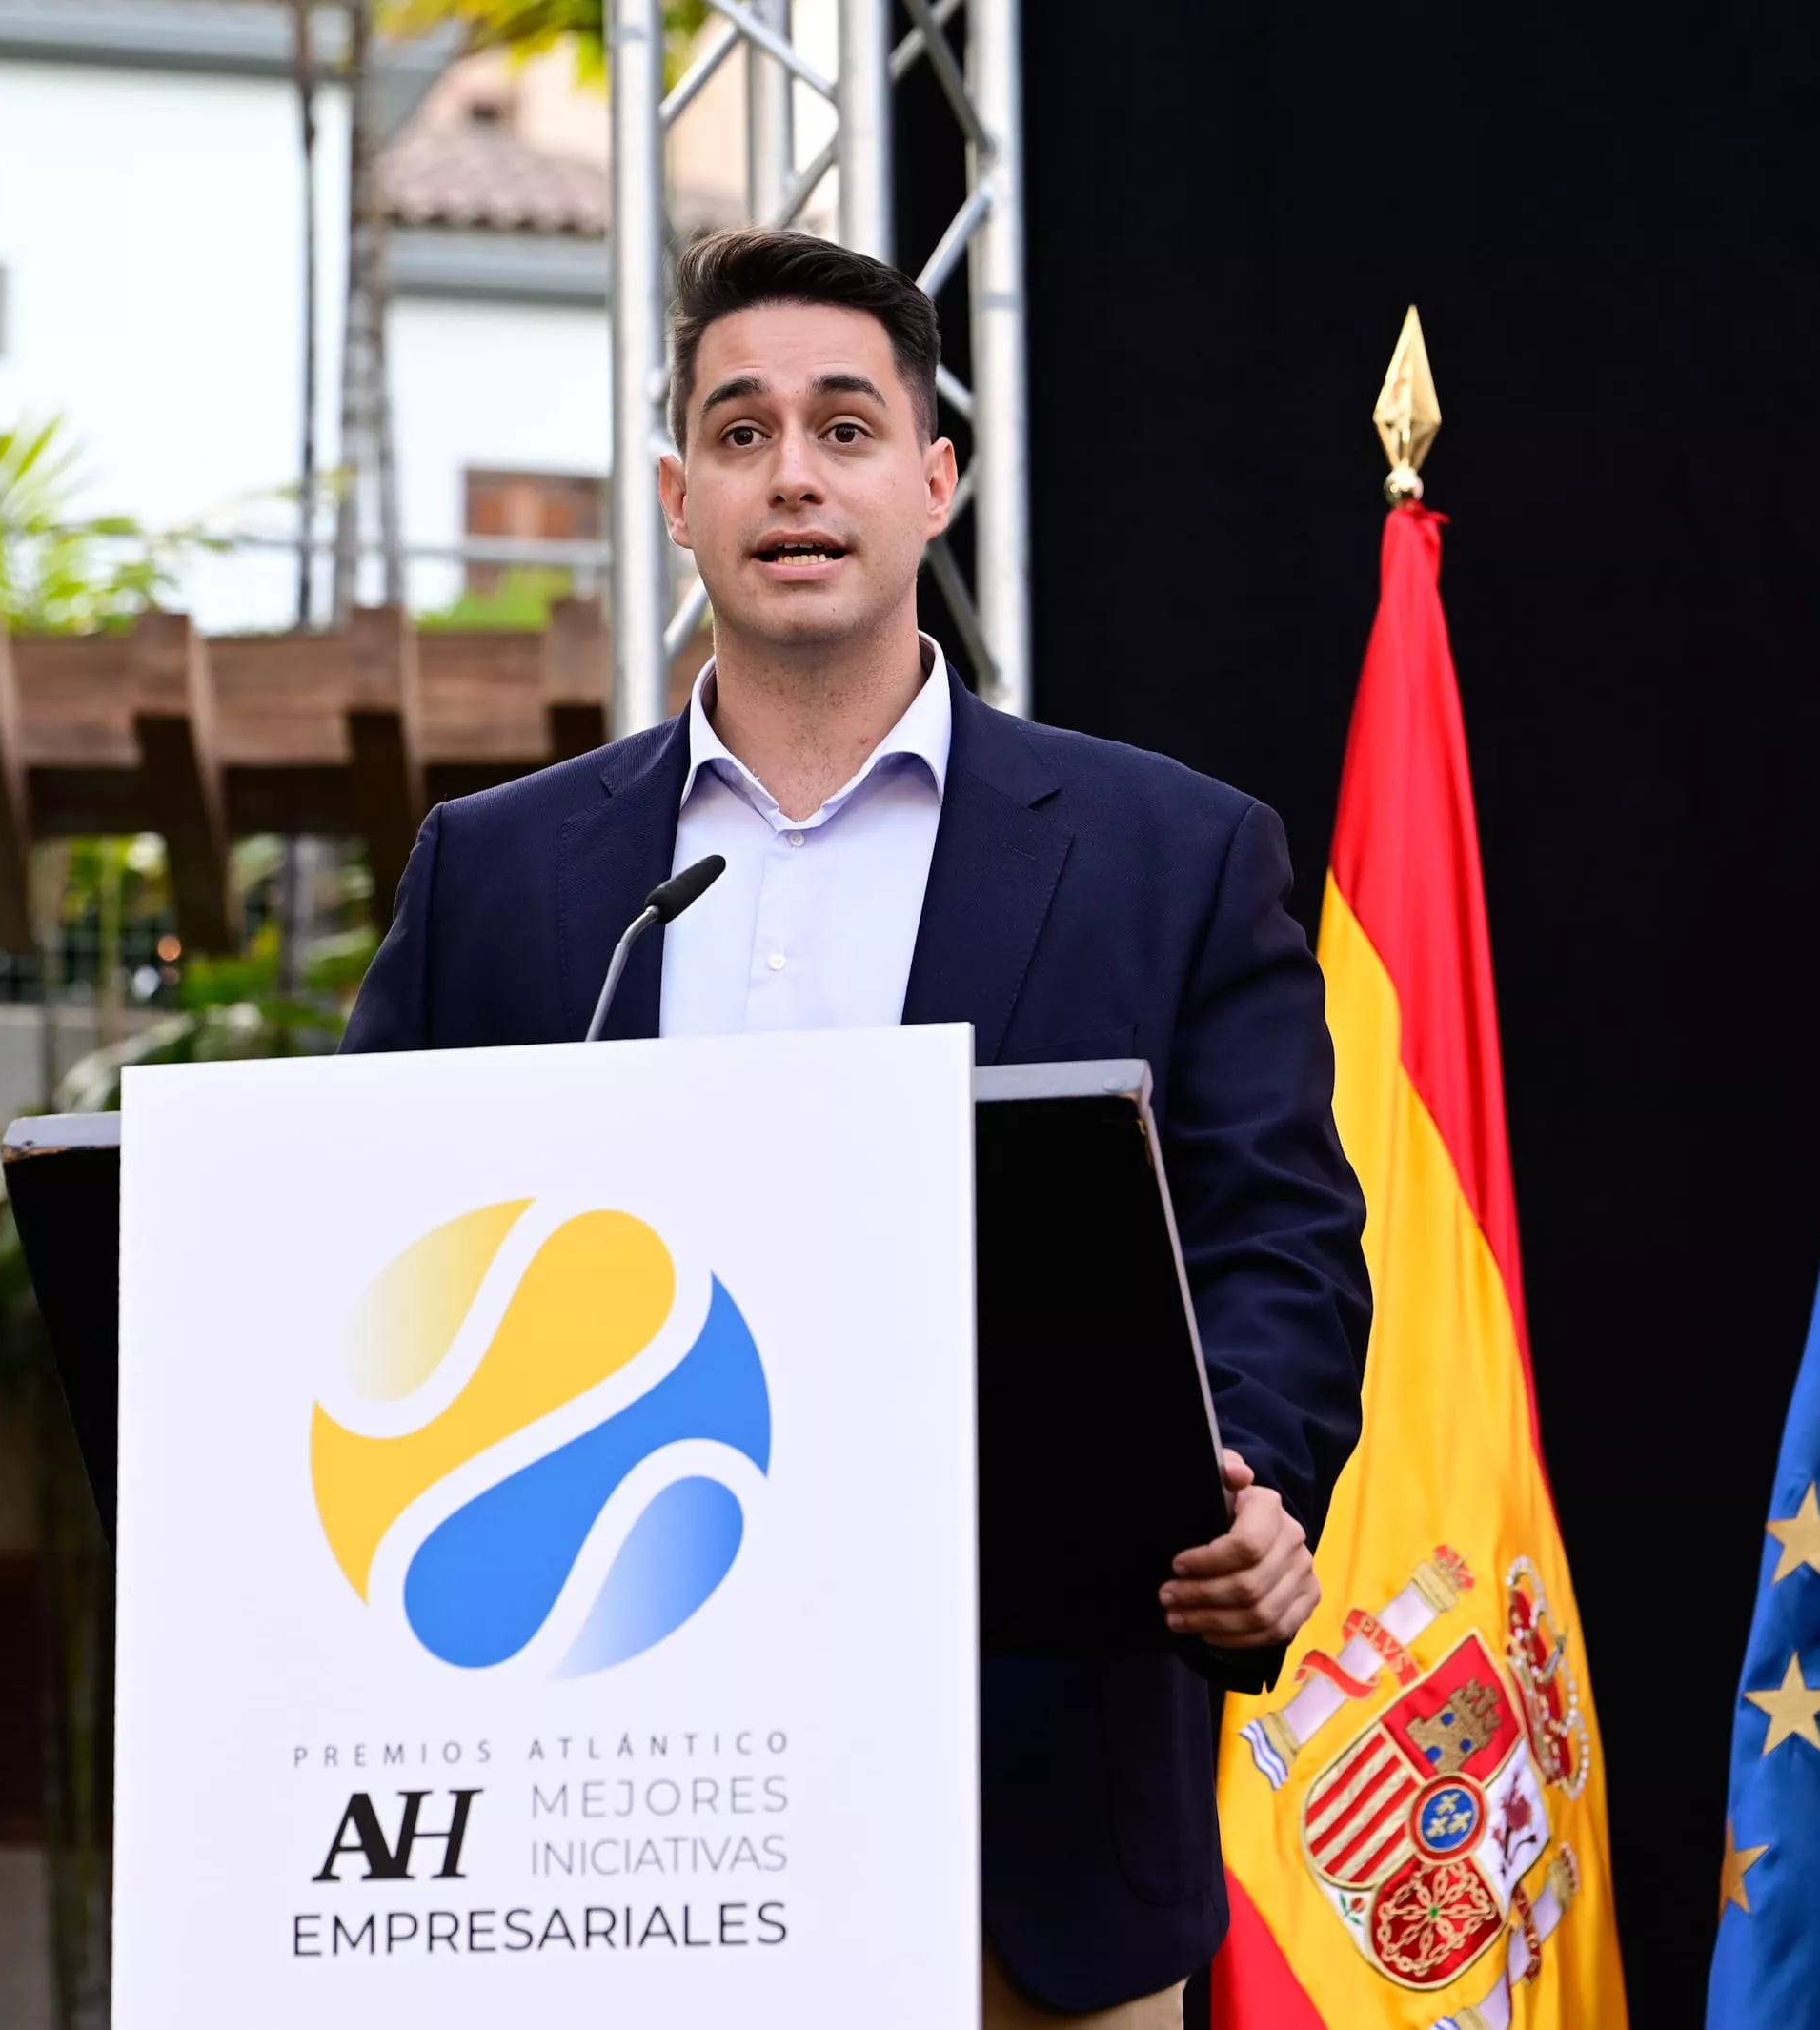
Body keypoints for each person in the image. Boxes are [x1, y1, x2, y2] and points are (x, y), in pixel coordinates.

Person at [343, 227, 1369, 2030]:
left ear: (936, 479)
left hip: (1024, 1830)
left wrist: (1255, 1488)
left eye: (845, 426)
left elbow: (1276, 1240)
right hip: (587, 1831)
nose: (793, 475)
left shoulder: (1174, 854)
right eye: (739, 435)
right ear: (676, 494)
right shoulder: (500, 879)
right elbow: (368, 1261)